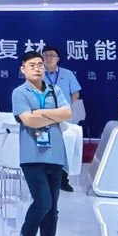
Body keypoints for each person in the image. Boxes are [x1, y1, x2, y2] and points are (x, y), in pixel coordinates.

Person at [13, 49, 72, 236]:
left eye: (40, 65)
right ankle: (28, 233)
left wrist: (38, 114)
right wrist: (49, 116)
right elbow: (28, 121)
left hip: (55, 154)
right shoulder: (19, 92)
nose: (37, 68)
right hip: (32, 155)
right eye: (32, 65)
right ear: (23, 69)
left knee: (53, 207)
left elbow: (67, 113)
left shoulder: (54, 90)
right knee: (43, 201)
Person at [38, 46, 85, 191]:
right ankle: (45, 179)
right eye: (45, 55)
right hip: (43, 117)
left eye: (52, 55)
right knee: (44, 147)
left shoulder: (67, 74)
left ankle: (63, 180)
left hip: (63, 118)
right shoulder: (37, 74)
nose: (48, 58)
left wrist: (66, 107)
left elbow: (75, 93)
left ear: (58, 58)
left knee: (64, 148)